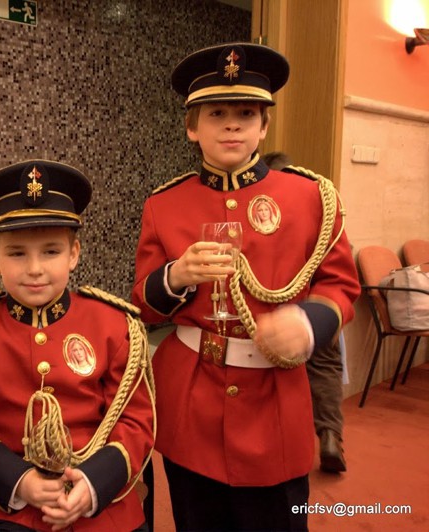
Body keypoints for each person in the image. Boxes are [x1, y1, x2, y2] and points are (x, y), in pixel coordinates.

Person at [132, 43, 360, 530]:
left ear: (264, 125)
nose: (232, 125)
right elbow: (143, 307)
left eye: (246, 113)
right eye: (216, 114)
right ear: (192, 127)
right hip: (190, 403)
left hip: (274, 400)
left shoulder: (310, 197)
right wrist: (175, 276)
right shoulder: (164, 204)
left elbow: (341, 285)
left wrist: (308, 323)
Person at [0, 160, 156, 531]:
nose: (34, 268)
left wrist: (93, 484)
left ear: (74, 254)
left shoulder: (114, 324)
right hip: (11, 505)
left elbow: (135, 420)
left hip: (101, 502)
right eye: (17, 253)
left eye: (51, 252)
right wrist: (21, 482)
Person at [263, 151, 348, 474]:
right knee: (326, 366)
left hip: (278, 310)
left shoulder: (268, 212)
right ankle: (330, 435)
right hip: (319, 308)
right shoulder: (319, 207)